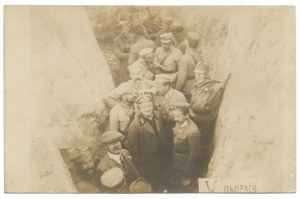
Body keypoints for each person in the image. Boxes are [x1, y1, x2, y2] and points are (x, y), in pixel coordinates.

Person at [125, 94, 167, 192]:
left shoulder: (158, 115)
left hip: (161, 156)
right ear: (139, 108)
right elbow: (133, 149)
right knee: (153, 181)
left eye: (149, 105)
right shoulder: (135, 125)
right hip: (148, 162)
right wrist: (143, 165)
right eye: (144, 106)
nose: (148, 109)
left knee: (163, 176)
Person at [190, 62, 224, 177]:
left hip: (205, 122)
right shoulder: (195, 85)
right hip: (195, 118)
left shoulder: (213, 87)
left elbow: (209, 109)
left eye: (201, 74)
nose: (198, 76)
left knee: (203, 146)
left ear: (207, 74)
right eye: (196, 73)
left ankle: (201, 170)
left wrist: (194, 112)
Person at [167, 101, 201, 192]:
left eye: (178, 116)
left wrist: (187, 172)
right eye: (174, 116)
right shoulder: (180, 122)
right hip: (175, 162)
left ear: (186, 115)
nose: (175, 119)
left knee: (185, 189)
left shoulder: (193, 132)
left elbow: (194, 155)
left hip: (184, 166)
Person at [175, 31, 203, 102]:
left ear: (187, 42)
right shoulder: (200, 55)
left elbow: (181, 81)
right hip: (199, 85)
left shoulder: (185, 58)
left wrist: (175, 92)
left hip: (188, 90)